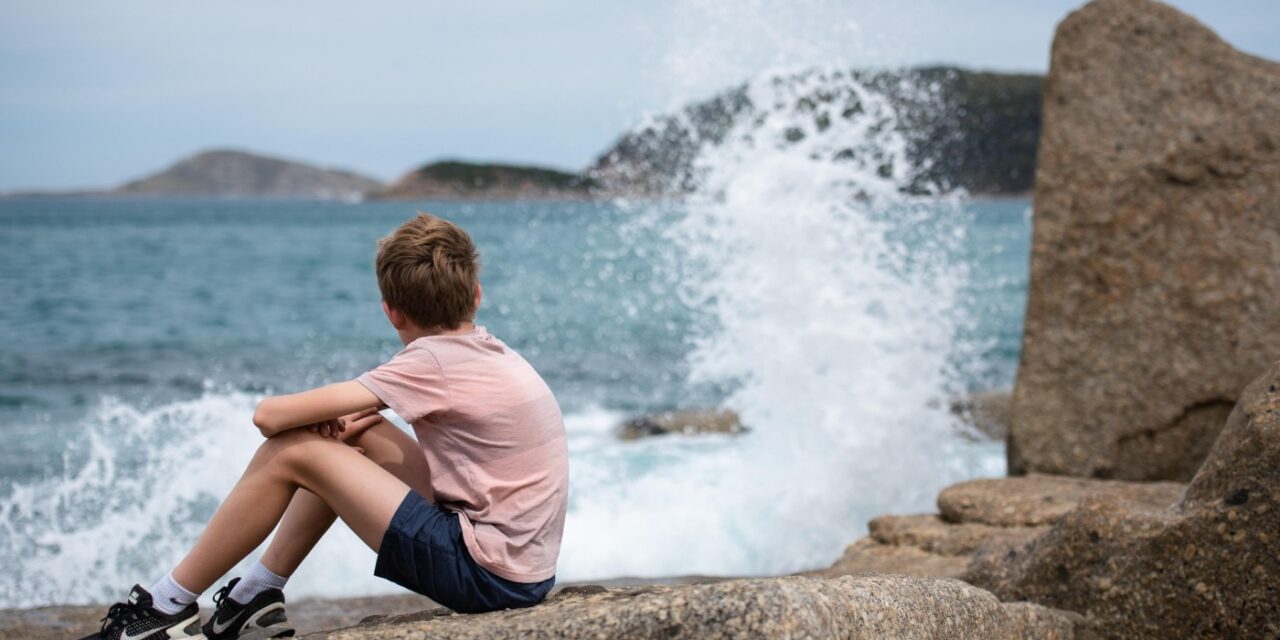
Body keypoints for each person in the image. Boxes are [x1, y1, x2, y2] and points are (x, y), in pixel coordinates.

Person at [79, 213, 569, 640]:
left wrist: (317, 422)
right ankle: (254, 598)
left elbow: (268, 418)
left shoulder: (431, 361)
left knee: (297, 450)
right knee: (357, 429)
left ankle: (163, 609)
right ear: (477, 295)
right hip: (522, 569)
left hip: (485, 574)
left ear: (390, 311)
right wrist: (344, 423)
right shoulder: (488, 348)